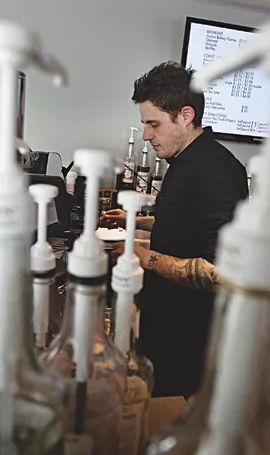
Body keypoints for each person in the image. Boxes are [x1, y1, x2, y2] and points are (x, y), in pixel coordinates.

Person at [100, 62, 248, 397]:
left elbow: (219, 273)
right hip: (162, 322)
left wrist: (142, 257)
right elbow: (185, 222)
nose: (147, 135)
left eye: (153, 124)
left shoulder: (218, 173)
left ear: (185, 115)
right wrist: (134, 220)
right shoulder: (183, 161)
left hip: (189, 338)